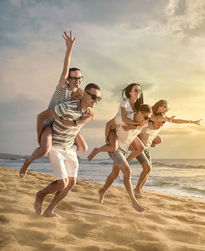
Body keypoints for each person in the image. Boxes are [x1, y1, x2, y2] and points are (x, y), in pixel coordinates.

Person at [19, 31, 87, 178]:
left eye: (79, 77)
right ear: (68, 79)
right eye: (74, 78)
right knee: (44, 150)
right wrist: (69, 49)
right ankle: (27, 162)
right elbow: (65, 68)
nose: (77, 80)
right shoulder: (63, 89)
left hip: (66, 126)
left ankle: (63, 153)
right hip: (50, 123)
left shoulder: (80, 94)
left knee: (83, 148)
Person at [33, 83, 101, 217]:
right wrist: (40, 138)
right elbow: (42, 116)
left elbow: (90, 118)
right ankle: (41, 194)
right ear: (84, 94)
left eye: (99, 98)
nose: (96, 100)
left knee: (71, 182)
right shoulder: (67, 107)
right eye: (93, 96)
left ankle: (49, 211)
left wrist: (74, 123)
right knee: (62, 183)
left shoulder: (89, 111)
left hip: (69, 147)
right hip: (56, 145)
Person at [126, 99, 201, 198]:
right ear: (159, 105)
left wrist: (191, 122)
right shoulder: (150, 115)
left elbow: (175, 121)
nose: (166, 110)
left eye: (167, 108)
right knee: (147, 167)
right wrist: (167, 120)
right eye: (165, 107)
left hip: (146, 147)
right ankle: (136, 190)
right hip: (139, 145)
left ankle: (137, 190)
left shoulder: (162, 118)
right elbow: (156, 119)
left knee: (148, 170)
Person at [97, 104, 152, 212]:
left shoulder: (142, 123)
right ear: (139, 113)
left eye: (148, 118)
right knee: (127, 171)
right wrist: (107, 139)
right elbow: (124, 127)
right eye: (146, 117)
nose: (147, 120)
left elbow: (136, 141)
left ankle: (102, 191)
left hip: (123, 148)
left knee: (115, 173)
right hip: (116, 146)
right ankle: (133, 201)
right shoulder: (127, 117)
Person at [87, 83, 145, 162]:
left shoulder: (139, 105)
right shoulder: (125, 101)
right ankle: (97, 150)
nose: (138, 92)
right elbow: (124, 119)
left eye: (139, 90)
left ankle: (127, 161)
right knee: (113, 147)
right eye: (135, 90)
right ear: (129, 92)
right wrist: (106, 138)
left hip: (126, 129)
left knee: (141, 148)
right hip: (114, 128)